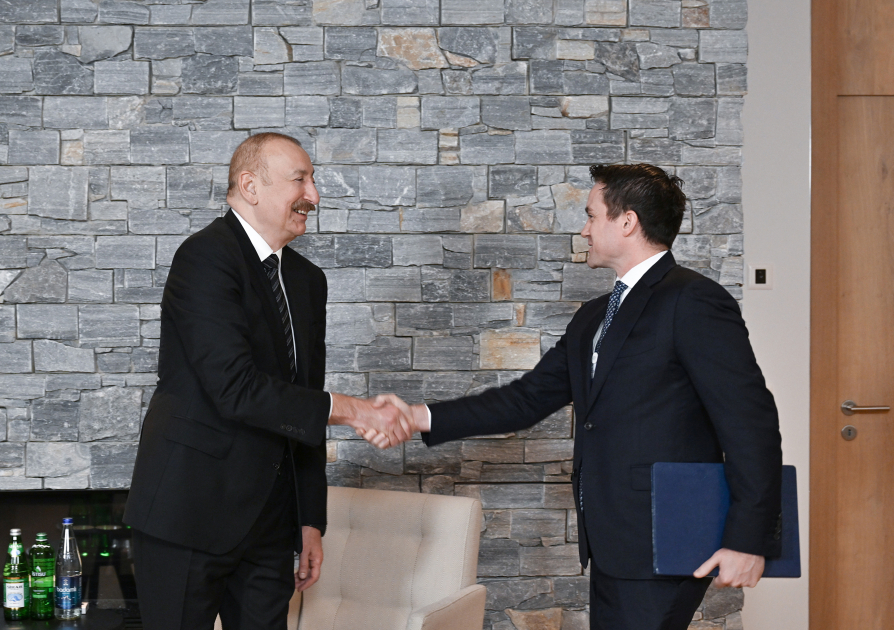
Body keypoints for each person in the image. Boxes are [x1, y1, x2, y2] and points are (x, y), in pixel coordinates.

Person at [368, 164, 783, 630]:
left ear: (627, 222)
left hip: (665, 535)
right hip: (610, 539)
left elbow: (751, 423)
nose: (584, 230)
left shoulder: (694, 300)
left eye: (591, 215)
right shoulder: (593, 316)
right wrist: (417, 416)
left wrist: (749, 539)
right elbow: (526, 399)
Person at [124, 132, 410, 630]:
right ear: (250, 186)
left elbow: (301, 401)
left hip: (270, 526)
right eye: (300, 180)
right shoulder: (204, 257)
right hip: (188, 514)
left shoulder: (308, 280)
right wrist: (356, 410)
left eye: (313, 180)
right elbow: (235, 388)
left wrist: (310, 520)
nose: (313, 195)